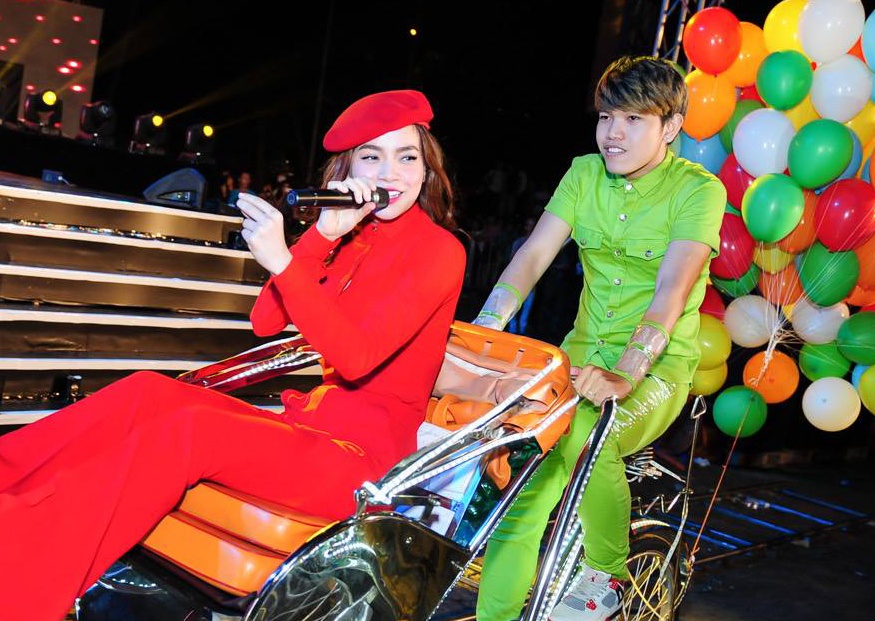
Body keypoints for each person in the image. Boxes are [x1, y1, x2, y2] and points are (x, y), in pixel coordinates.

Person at [0, 89, 466, 621]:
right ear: (348, 170)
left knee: (189, 429)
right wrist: (320, 236)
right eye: (372, 156)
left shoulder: (440, 251)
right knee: (148, 391)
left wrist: (283, 261)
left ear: (426, 171)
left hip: (360, 463)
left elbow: (357, 358)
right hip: (309, 430)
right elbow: (265, 320)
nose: (391, 173)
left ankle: (22, 595)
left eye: (407, 157)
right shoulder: (350, 235)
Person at [472, 55, 726, 621]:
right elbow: (533, 255)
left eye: (634, 119)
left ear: (671, 127)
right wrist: (485, 331)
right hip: (579, 356)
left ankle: (606, 573)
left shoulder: (698, 191)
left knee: (591, 436)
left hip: (657, 367)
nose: (613, 133)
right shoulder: (584, 174)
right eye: (607, 116)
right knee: (521, 494)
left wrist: (627, 373)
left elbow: (672, 289)